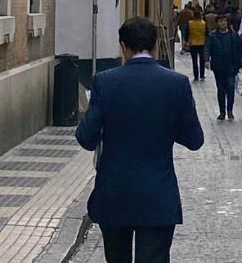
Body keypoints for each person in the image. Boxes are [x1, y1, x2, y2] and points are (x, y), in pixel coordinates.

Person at [75, 16, 203, 263]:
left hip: (115, 195)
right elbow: (194, 140)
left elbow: (86, 138)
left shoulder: (106, 81)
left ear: (123, 46)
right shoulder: (177, 84)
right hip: (158, 195)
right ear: (155, 46)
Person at [205, 14, 242, 121]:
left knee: (231, 87)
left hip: (231, 66)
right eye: (221, 21)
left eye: (225, 21)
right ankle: (222, 111)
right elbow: (207, 48)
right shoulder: (212, 35)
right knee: (221, 89)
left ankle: (230, 110)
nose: (223, 23)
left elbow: (239, 50)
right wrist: (206, 60)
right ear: (217, 23)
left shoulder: (233, 35)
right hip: (218, 67)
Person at [187, 9, 207, 82]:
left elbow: (187, 33)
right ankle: (202, 74)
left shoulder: (190, 23)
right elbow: (206, 33)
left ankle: (196, 76)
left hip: (193, 44)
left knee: (194, 61)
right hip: (202, 43)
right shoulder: (203, 23)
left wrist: (187, 41)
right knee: (202, 60)